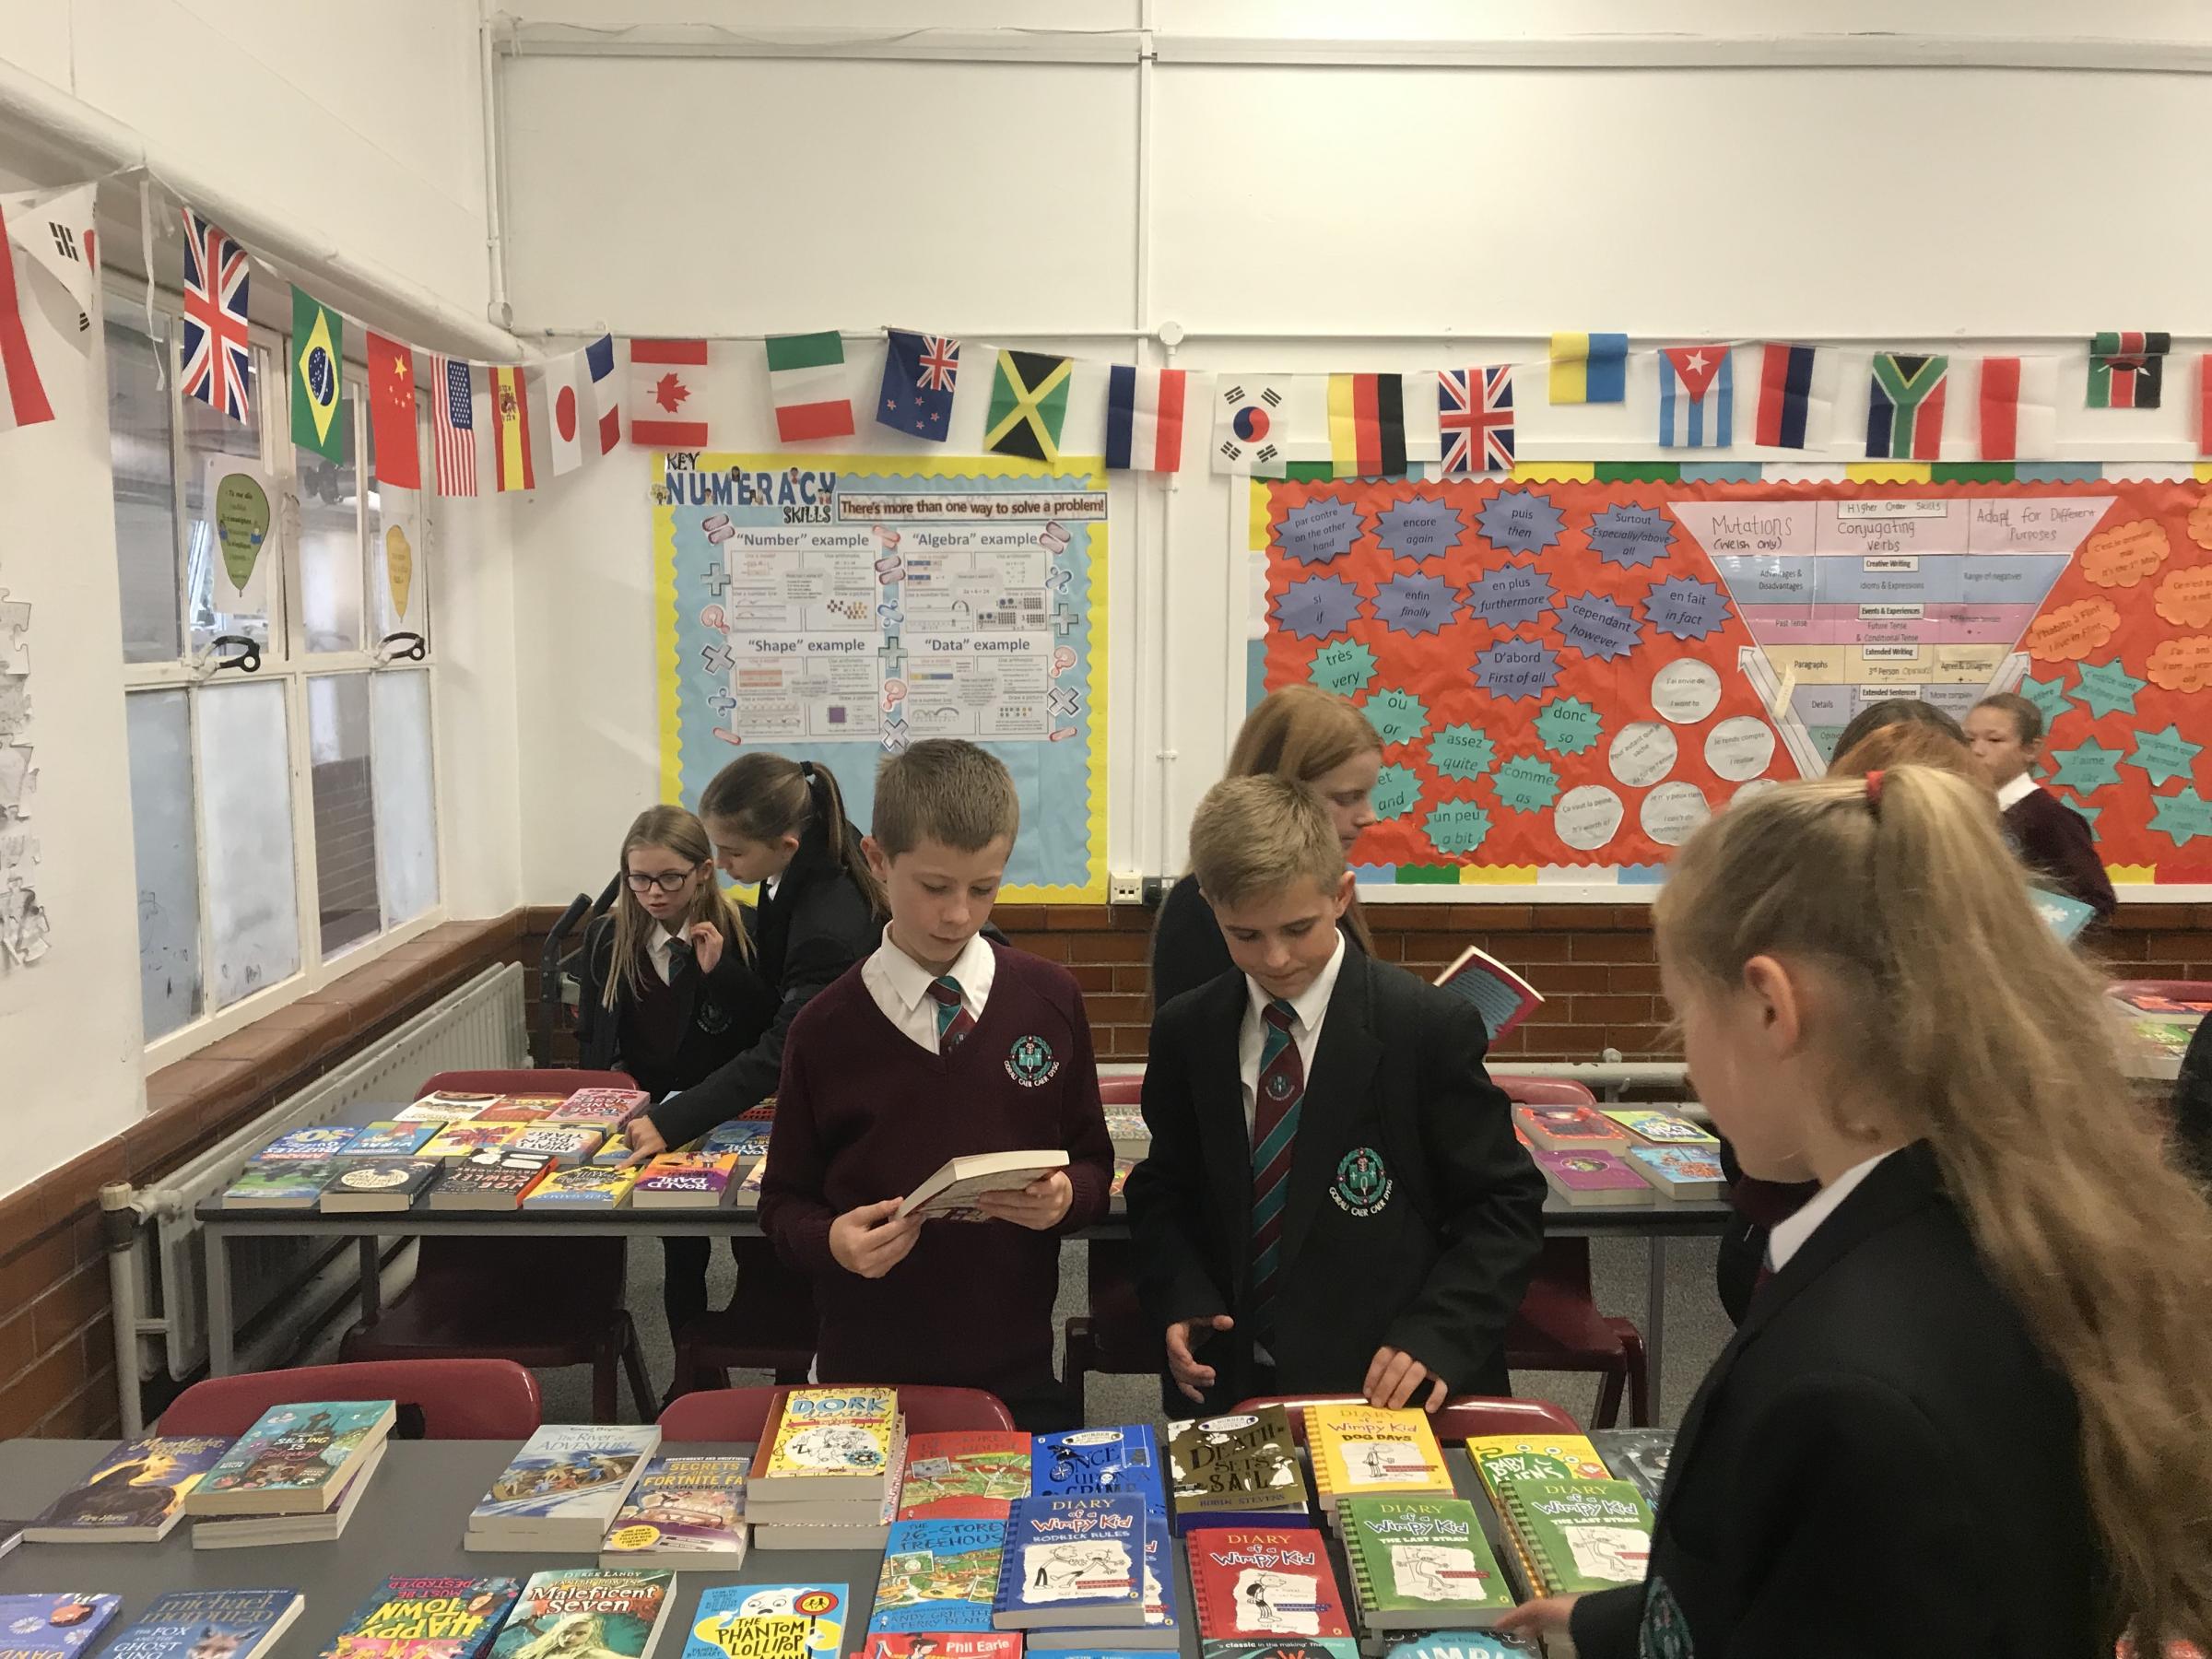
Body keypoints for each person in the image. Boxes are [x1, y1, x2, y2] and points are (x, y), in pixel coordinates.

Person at [1498, 767, 2212, 1659]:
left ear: (1770, 1006)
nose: (1689, 1070)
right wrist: (1620, 1622)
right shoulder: (2022, 1221)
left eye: (1686, 1016)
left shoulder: (1850, 1395)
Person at [1125, 773, 1546, 1416]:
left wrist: (1440, 1332)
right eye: (1245, 934)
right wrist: (1183, 1294)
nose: (1276, 957)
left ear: (1341, 895)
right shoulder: (1189, 1030)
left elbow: (1503, 1207)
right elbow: (1166, 1188)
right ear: (1210, 907)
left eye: (1298, 928)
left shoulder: (1424, 1028)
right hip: (1230, 1380)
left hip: (1385, 1380)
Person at [758, 738, 1115, 1430]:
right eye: (934, 887)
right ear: (878, 860)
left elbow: (1094, 1160)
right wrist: (831, 1241)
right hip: (865, 1371)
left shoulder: (1049, 999)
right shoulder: (823, 1027)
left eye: (984, 888)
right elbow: (782, 1206)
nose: (958, 914)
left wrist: (1068, 1200)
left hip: (1016, 1372)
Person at [616, 759, 880, 1387]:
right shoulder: (786, 876)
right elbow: (786, 1005)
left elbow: (785, 1046)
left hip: (857, 1103)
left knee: (814, 1274)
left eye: (731, 852)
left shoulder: (828, 911)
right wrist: (727, 975)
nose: (723, 865)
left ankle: (809, 1391)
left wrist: (673, 1118)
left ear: (784, 843)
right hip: (826, 1084)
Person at [1150, 686, 1381, 1010]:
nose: (1368, 816)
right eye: (1346, 798)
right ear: (1284, 793)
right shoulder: (1196, 911)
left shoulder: (1326, 883)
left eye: (1299, 929)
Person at [1967, 690, 2118, 922]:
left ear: (2031, 749)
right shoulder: (1965, 810)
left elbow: (2096, 901)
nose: (1977, 750)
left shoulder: (2050, 818)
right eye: (1968, 739)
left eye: (1994, 740)